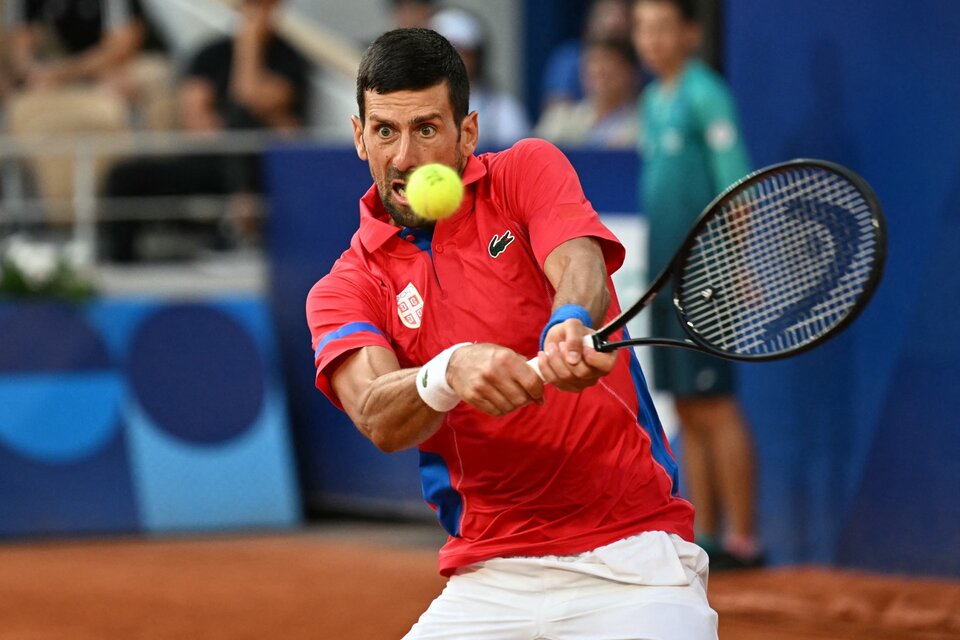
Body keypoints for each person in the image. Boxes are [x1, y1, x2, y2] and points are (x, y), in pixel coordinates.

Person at [306, 27, 718, 639]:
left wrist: (570, 319)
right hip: (490, 575)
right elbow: (375, 412)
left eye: (426, 128)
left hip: (633, 559)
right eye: (385, 130)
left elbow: (577, 264)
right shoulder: (345, 287)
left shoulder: (525, 169)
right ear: (359, 134)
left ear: (466, 133)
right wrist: (448, 371)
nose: (403, 156)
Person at [631, 0, 762, 569]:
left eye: (662, 27)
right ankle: (706, 532)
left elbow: (738, 190)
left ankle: (743, 539)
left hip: (710, 277)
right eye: (641, 28)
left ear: (689, 32)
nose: (651, 39)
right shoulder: (650, 101)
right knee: (687, 405)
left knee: (716, 405)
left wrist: (740, 266)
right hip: (669, 279)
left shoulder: (706, 93)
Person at [100, 0, 311, 262]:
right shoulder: (210, 54)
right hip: (211, 160)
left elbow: (248, 98)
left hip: (262, 168)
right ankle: (118, 266)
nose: (255, 11)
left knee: (243, 120)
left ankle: (240, 222)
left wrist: (248, 49)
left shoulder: (291, 59)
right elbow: (196, 121)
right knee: (124, 177)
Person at [5, 0, 174, 129]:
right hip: (73, 66)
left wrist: (64, 73)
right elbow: (20, 43)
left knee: (122, 85)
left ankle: (139, 162)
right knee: (28, 98)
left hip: (136, 59)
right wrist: (33, 72)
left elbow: (123, 45)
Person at [428, 7, 529, 150]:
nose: (451, 60)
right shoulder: (410, 102)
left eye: (461, 51)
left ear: (476, 56)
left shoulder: (503, 109)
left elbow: (519, 160)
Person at [535, 36, 640, 149]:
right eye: (593, 62)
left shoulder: (645, 123)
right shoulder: (560, 117)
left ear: (631, 73)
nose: (599, 71)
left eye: (609, 62)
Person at [540, 0, 632, 111]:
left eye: (621, 15)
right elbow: (555, 107)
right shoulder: (568, 58)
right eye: (607, 14)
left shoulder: (645, 65)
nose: (614, 23)